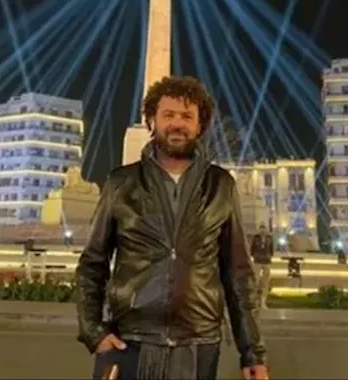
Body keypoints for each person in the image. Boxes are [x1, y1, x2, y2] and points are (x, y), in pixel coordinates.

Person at [75, 76, 268, 380]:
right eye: (168, 115)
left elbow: (238, 274)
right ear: (152, 120)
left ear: (200, 125)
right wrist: (93, 332)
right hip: (130, 341)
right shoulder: (121, 183)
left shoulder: (221, 185)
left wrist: (252, 352)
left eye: (187, 116)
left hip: (198, 345)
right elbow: (92, 264)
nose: (177, 124)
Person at [249, 225, 274, 309]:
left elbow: (271, 250)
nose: (262, 231)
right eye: (261, 229)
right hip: (257, 261)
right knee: (255, 280)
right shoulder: (255, 238)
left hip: (267, 261)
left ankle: (263, 301)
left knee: (265, 282)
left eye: (264, 229)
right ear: (259, 230)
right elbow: (251, 249)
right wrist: (255, 256)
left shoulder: (269, 238)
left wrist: (269, 256)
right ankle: (255, 301)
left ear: (266, 230)